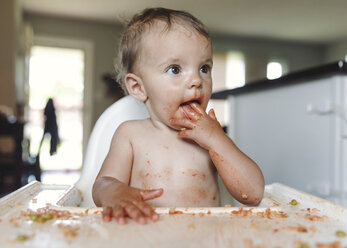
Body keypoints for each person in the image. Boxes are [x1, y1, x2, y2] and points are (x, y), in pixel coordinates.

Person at [92, 7, 265, 225]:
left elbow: (253, 193)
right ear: (138, 87)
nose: (196, 81)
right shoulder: (130, 135)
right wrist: (114, 192)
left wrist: (216, 140)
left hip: (205, 238)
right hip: (146, 238)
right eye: (175, 69)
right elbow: (101, 184)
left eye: (204, 68)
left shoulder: (210, 137)